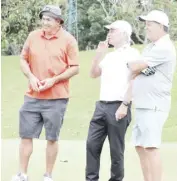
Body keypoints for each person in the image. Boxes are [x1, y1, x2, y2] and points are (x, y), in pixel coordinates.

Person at [11, 5, 79, 181]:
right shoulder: (33, 36)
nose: (44, 22)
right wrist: (31, 76)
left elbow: (75, 68)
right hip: (32, 96)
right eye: (43, 18)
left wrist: (54, 80)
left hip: (57, 99)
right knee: (26, 136)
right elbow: (23, 59)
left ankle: (48, 175)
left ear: (58, 21)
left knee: (52, 138)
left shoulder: (69, 40)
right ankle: (22, 174)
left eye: (48, 19)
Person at [85, 20, 140, 181]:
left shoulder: (133, 54)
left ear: (124, 33)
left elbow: (134, 80)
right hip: (101, 106)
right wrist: (98, 55)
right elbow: (93, 74)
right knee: (91, 145)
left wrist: (125, 104)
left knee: (116, 150)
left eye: (113, 30)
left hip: (119, 106)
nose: (109, 33)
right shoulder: (109, 56)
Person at [127, 10, 176, 181]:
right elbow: (137, 71)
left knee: (151, 147)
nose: (146, 27)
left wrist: (131, 64)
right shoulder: (150, 47)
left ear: (161, 26)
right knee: (140, 146)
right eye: (145, 23)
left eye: (150, 24)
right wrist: (135, 67)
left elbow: (135, 67)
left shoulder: (164, 47)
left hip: (154, 104)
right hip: (143, 103)